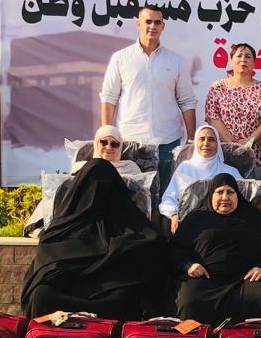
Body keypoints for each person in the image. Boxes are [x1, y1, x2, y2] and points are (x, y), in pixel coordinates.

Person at [21, 159, 170, 321]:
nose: (96, 193)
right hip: (66, 287)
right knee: (41, 295)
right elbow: (47, 265)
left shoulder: (129, 226)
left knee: (123, 299)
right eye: (90, 186)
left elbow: (151, 246)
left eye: (104, 185)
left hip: (109, 291)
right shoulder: (64, 228)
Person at [100, 5, 197, 191]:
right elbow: (109, 98)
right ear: (138, 24)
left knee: (166, 196)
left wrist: (191, 140)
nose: (153, 26)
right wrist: (107, 135)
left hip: (167, 142)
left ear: (163, 26)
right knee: (131, 196)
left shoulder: (176, 61)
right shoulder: (120, 58)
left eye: (157, 22)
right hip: (130, 140)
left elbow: (187, 101)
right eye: (148, 21)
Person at [171, 174, 261, 325]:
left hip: (244, 282)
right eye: (219, 192)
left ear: (237, 196)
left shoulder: (254, 219)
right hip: (205, 281)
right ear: (211, 195)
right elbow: (175, 249)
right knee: (189, 299)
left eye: (230, 192)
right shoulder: (195, 219)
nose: (225, 197)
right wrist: (188, 265)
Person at [159, 125, 241, 234]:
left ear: (218, 144)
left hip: (223, 221)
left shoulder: (230, 172)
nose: (206, 143)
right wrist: (173, 214)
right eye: (202, 139)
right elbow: (169, 198)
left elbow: (242, 199)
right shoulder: (185, 168)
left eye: (211, 139)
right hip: (189, 221)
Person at [204, 42, 261, 171]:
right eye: (239, 56)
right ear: (231, 61)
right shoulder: (218, 87)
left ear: (254, 63)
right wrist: (232, 144)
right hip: (225, 155)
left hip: (257, 155)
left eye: (248, 56)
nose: (243, 59)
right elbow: (212, 117)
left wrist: (249, 141)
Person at [70, 124, 142, 175]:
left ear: (120, 146)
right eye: (104, 142)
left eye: (114, 144)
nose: (108, 147)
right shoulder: (81, 168)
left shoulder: (130, 168)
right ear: (96, 144)